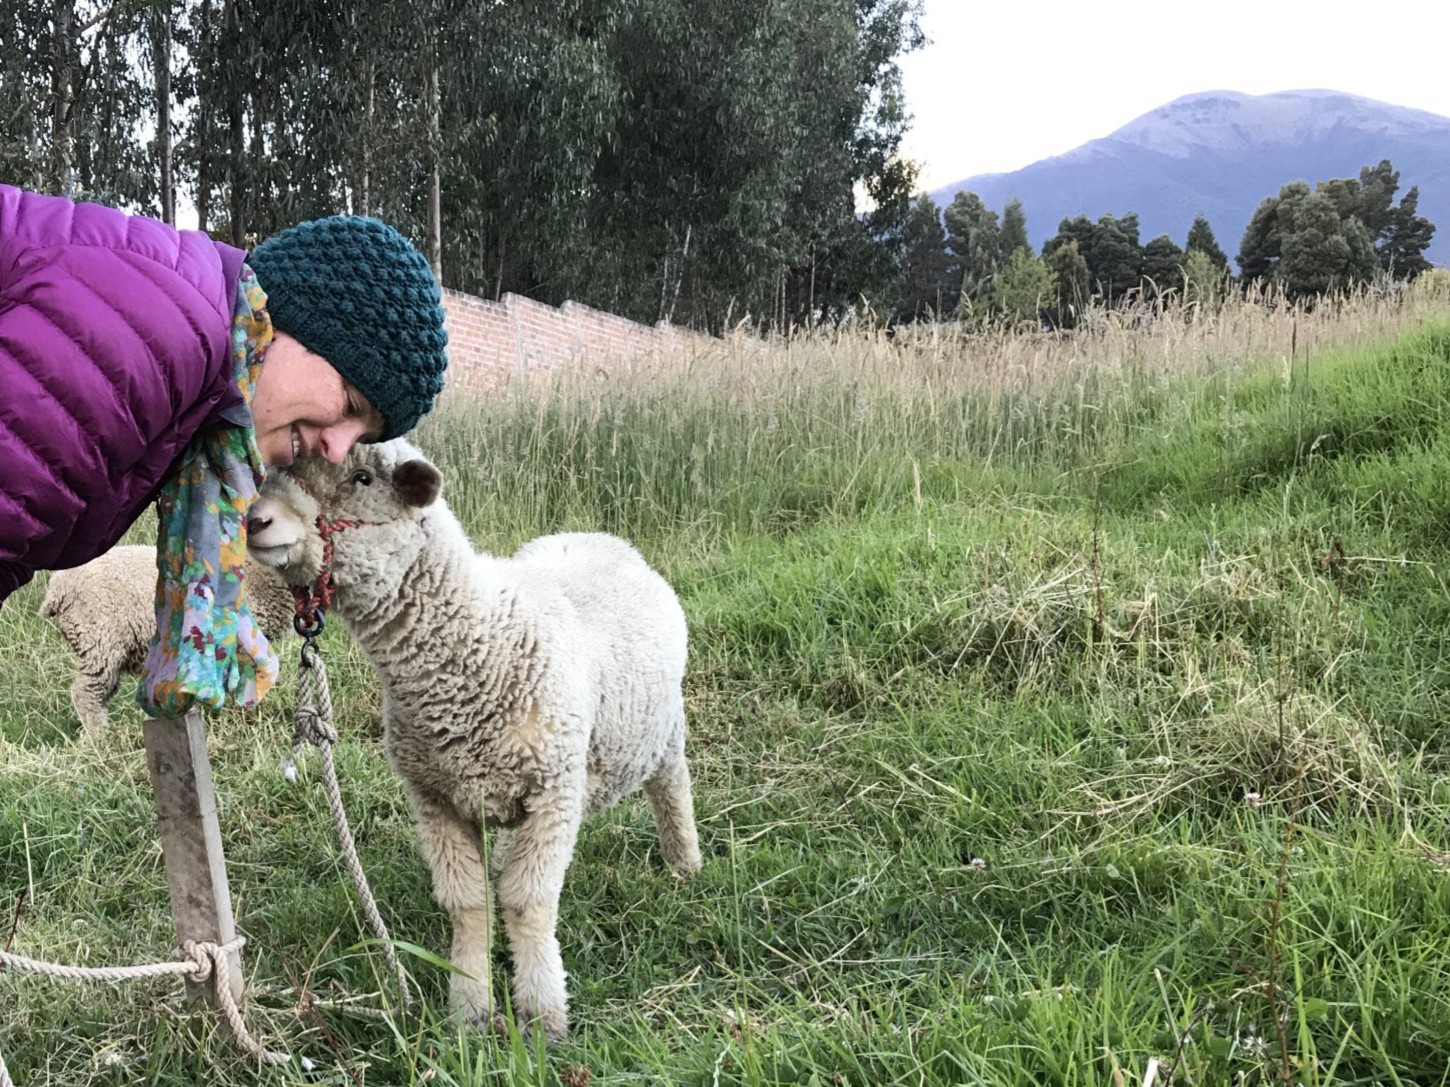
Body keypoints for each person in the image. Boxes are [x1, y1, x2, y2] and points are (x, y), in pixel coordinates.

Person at [0, 183, 449, 717]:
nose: (335, 448)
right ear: (296, 324)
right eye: (350, 403)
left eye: (362, 438)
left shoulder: (193, 389)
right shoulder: (162, 330)